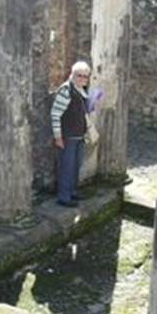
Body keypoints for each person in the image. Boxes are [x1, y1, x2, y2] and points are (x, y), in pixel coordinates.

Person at [50, 61, 91, 207]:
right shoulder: (66, 90)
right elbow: (55, 114)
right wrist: (58, 137)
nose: (83, 79)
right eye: (79, 75)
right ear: (72, 75)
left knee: (75, 167)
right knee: (66, 167)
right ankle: (64, 197)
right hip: (67, 137)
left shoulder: (81, 90)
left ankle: (72, 192)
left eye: (85, 76)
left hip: (79, 136)